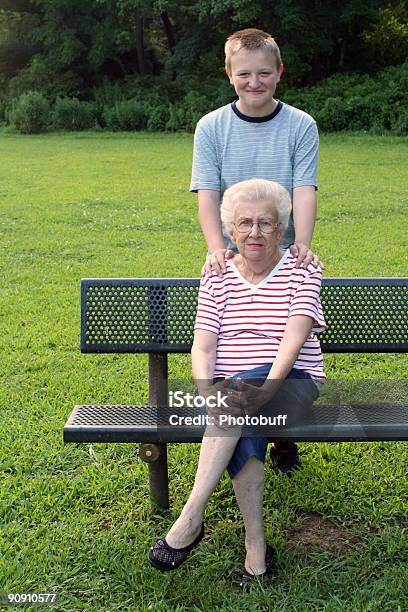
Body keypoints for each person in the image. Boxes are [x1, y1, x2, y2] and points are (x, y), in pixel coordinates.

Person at [149, 179, 326, 583]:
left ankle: (189, 519)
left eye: (266, 223)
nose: (255, 232)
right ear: (230, 228)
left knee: (238, 400)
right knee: (237, 416)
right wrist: (205, 392)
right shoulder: (217, 274)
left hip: (291, 383)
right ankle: (256, 551)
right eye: (244, 223)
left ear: (282, 229)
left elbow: (294, 338)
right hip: (232, 393)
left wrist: (266, 390)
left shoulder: (303, 269)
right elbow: (204, 345)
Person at [190, 28, 322, 474]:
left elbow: (304, 189)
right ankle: (265, 429)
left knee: (284, 337)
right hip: (236, 248)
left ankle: (280, 431)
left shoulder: (300, 124)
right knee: (240, 345)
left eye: (264, 73)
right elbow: (207, 194)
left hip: (281, 247)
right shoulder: (212, 126)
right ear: (229, 74)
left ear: (279, 72)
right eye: (244, 73)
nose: (254, 82)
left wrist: (301, 242)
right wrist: (216, 249)